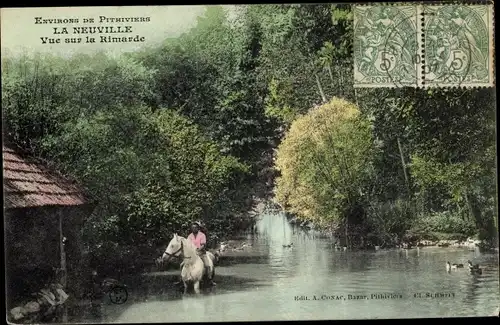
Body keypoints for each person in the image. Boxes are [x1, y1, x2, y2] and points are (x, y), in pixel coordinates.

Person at [175, 221, 216, 286]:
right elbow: (188, 245)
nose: (193, 229)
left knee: (207, 265)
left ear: (198, 228)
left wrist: (198, 250)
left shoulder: (202, 235)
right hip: (192, 254)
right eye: (192, 228)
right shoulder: (190, 236)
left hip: (201, 253)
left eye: (195, 228)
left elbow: (203, 245)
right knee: (181, 265)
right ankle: (181, 279)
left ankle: (209, 279)